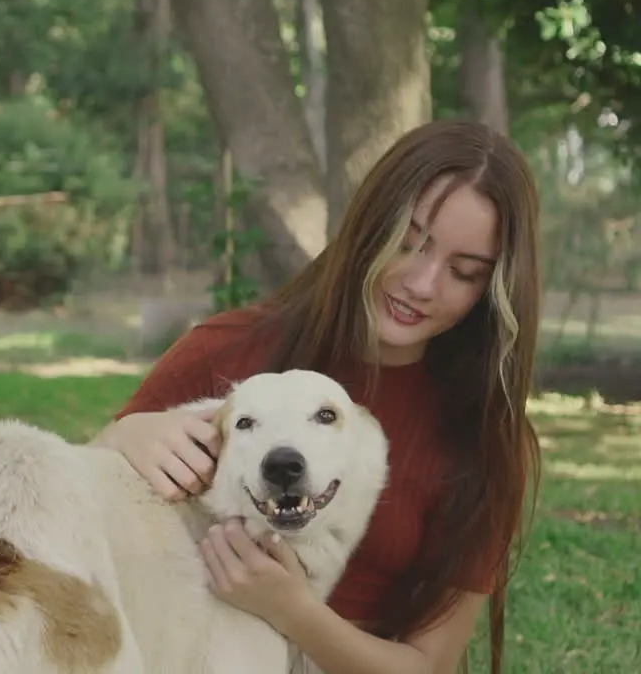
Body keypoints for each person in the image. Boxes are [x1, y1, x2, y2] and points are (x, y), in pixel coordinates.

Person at [92, 119, 542, 674]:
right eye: (408, 242)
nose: (422, 284)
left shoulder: (484, 440)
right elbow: (79, 518)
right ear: (369, 226)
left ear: (494, 290)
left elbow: (428, 666)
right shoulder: (229, 350)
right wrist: (123, 434)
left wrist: (293, 611)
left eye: (464, 272)